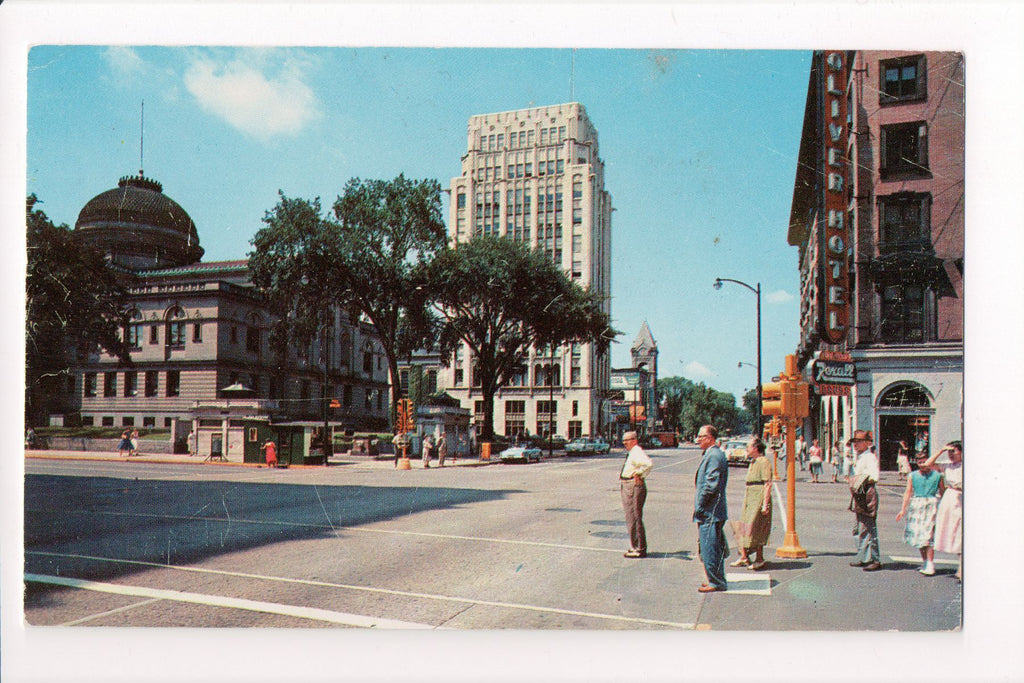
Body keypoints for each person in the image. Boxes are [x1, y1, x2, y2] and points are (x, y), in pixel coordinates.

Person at [693, 424, 729, 592]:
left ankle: (715, 581)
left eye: (701, 436)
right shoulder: (714, 454)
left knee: (709, 548)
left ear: (710, 438)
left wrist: (700, 505)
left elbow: (710, 485)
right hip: (713, 510)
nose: (698, 439)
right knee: (714, 546)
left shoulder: (714, 455)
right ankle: (717, 579)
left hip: (709, 511)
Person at [896, 452, 944, 575]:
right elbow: (908, 492)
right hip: (916, 505)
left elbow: (943, 493)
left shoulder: (937, 476)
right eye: (919, 462)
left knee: (928, 536)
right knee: (918, 535)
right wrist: (903, 509)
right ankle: (925, 562)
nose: (922, 464)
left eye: (924, 461)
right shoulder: (912, 475)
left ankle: (930, 563)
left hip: (931, 504)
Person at [732, 436, 772, 571]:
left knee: (757, 527)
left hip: (758, 497)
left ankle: (759, 559)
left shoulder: (763, 462)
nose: (747, 449)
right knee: (744, 526)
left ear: (755, 448)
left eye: (748, 447)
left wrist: (765, 504)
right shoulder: (753, 462)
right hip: (750, 496)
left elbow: (767, 484)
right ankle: (744, 557)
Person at [928, 440, 963, 581]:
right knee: (952, 532)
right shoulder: (947, 466)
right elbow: (928, 464)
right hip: (950, 499)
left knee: (962, 532)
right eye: (949, 452)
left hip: (962, 498)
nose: (950, 455)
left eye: (953, 451)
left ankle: (962, 568)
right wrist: (941, 450)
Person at [848, 429, 882, 571]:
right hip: (859, 492)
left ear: (866, 443)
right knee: (859, 528)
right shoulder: (860, 456)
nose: (855, 444)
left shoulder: (869, 457)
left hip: (866, 491)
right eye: (854, 442)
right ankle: (865, 557)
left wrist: (859, 480)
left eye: (859, 442)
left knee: (869, 527)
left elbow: (874, 476)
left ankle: (875, 559)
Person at [619, 431, 653, 558]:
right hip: (629, 485)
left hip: (633, 485)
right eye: (623, 441)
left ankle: (639, 548)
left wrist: (639, 474)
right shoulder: (633, 452)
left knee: (634, 516)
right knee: (631, 516)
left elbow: (648, 464)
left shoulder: (637, 451)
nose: (624, 443)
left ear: (634, 440)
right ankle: (636, 546)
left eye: (626, 440)